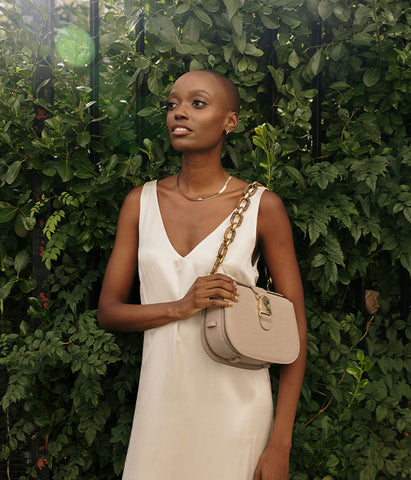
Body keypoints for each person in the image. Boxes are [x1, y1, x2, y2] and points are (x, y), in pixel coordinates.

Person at [97, 69, 307, 480]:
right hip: (159, 408)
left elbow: (294, 330)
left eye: (197, 103)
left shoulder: (263, 206)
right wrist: (180, 307)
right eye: (172, 104)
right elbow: (108, 312)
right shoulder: (139, 203)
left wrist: (279, 445)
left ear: (230, 121)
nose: (180, 113)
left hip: (238, 410)